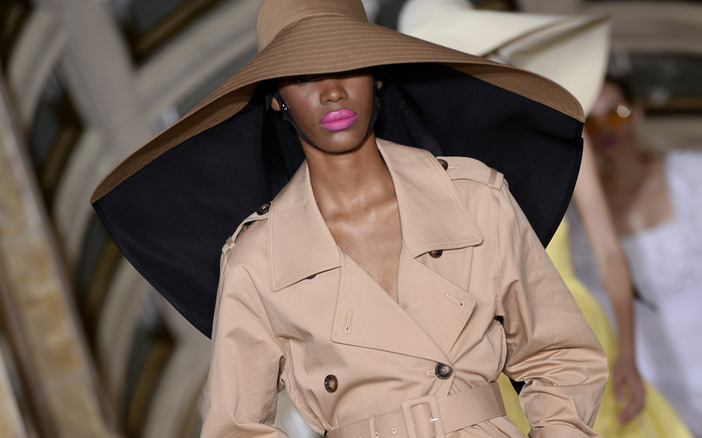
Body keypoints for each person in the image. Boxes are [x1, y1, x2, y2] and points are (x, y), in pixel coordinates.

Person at [90, 1, 608, 437]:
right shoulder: (257, 260)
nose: (332, 90)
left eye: (349, 62)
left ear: (378, 75)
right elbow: (235, 427)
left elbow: (559, 355)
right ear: (276, 99)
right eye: (303, 74)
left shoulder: (474, 198)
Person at [399, 1, 692, 436]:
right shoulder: (420, 159)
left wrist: (629, 354)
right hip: (484, 357)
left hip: (567, 333)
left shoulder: (554, 127)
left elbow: (610, 252)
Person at [570, 77, 702, 437]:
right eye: (592, 121)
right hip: (650, 383)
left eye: (616, 114)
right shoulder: (580, 216)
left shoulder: (691, 173)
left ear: (636, 115)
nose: (606, 128)